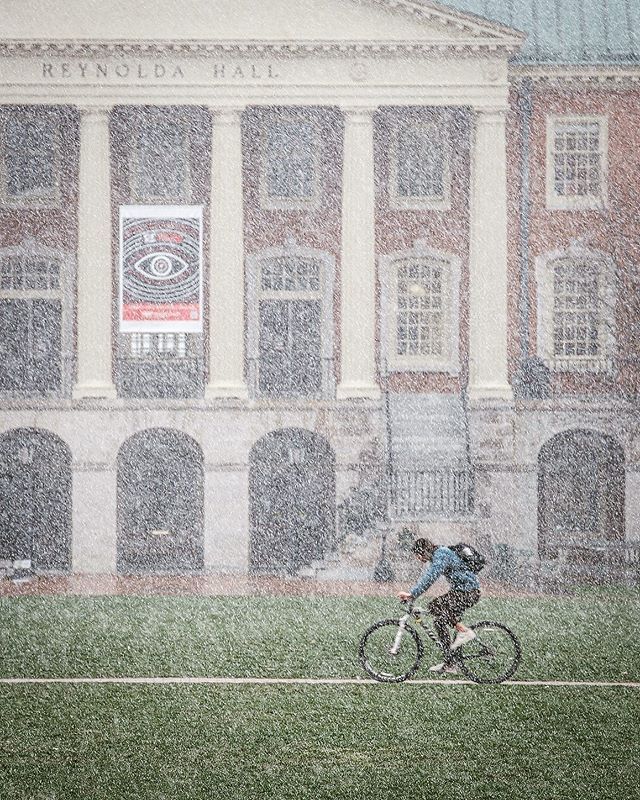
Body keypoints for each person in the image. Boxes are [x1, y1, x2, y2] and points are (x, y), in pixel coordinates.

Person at [398, 537, 481, 674]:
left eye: (418, 555)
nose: (419, 559)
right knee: (439, 622)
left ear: (424, 551)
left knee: (435, 606)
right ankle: (450, 663)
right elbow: (430, 575)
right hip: (463, 591)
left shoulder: (441, 553)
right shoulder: (438, 554)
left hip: (469, 592)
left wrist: (412, 594)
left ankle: (464, 631)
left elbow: (431, 576)